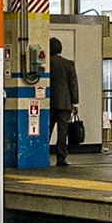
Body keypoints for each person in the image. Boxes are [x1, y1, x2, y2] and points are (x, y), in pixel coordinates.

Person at [47, 37, 80, 167]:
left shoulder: (45, 64)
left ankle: (43, 156)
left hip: (48, 103)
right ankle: (61, 159)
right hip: (64, 103)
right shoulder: (68, 64)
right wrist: (75, 103)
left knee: (47, 130)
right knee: (62, 132)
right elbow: (73, 85)